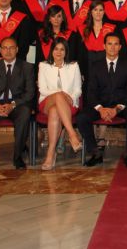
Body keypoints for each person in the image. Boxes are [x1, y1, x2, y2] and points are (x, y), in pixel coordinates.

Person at [77, 34, 127, 168]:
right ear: (104, 46)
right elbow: (91, 92)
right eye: (109, 44)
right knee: (82, 118)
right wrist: (100, 109)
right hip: (101, 105)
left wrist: (117, 109)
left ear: (120, 47)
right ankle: (96, 153)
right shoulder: (95, 66)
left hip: (121, 106)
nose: (112, 47)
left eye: (115, 44)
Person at [0, 37, 35, 170]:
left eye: (11, 48)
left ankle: (18, 157)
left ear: (17, 50)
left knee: (24, 115)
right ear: (0, 50)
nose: (8, 51)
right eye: (5, 48)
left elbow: (29, 93)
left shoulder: (27, 67)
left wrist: (12, 105)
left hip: (18, 104)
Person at [37, 38, 83, 170]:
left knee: (55, 111)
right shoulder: (43, 65)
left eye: (62, 49)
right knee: (57, 97)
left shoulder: (73, 66)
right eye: (56, 49)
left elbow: (78, 89)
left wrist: (70, 97)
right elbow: (42, 89)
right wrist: (61, 94)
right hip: (47, 101)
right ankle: (72, 134)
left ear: (66, 52)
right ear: (51, 51)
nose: (59, 52)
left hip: (69, 104)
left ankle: (50, 154)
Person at [80, 0, 117, 72]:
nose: (98, 13)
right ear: (91, 12)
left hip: (106, 65)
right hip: (88, 65)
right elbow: (81, 52)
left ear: (104, 12)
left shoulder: (111, 28)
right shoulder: (83, 29)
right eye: (95, 10)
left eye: (101, 10)